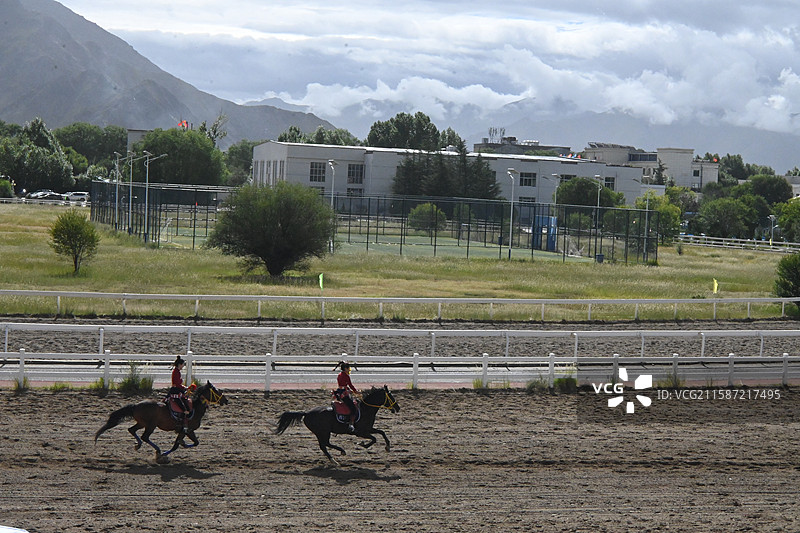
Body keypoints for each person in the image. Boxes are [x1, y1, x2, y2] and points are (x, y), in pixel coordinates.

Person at [332, 361, 359, 433]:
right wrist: (356, 391)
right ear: (345, 368)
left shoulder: (339, 375)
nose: (349, 369)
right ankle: (351, 423)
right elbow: (350, 385)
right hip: (344, 393)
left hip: (339, 393)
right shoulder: (346, 376)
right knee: (353, 408)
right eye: (348, 368)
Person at [168, 356, 191, 434]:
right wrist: (185, 388)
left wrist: (184, 387)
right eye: (183, 365)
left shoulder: (176, 371)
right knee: (184, 406)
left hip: (176, 389)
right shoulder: (176, 372)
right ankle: (183, 422)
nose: (183, 366)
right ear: (179, 364)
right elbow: (177, 384)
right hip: (176, 391)